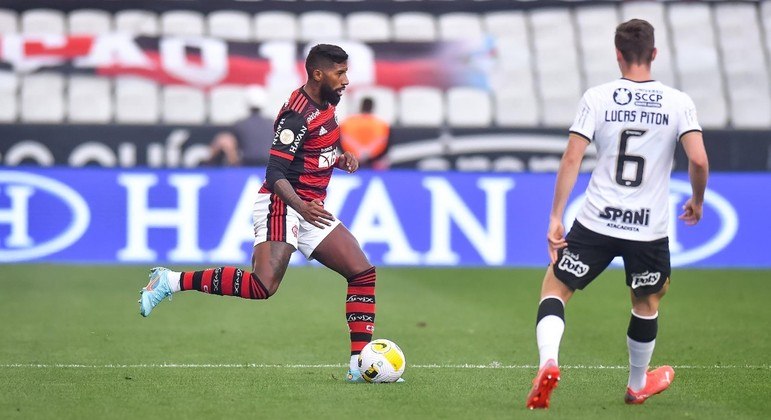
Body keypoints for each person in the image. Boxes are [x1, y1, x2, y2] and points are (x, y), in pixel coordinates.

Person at [139, 44, 391, 383]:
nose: (346, 80)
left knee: (362, 273)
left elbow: (322, 141)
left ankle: (359, 366)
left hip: (309, 207)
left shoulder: (328, 102)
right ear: (318, 74)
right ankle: (170, 281)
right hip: (283, 204)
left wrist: (340, 154)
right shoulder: (296, 117)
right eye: (340, 73)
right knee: (263, 286)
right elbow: (274, 173)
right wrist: (300, 207)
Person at [525, 19, 708, 409]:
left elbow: (572, 157)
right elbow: (698, 159)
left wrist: (556, 215)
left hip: (596, 220)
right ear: (654, 53)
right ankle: (637, 384)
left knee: (556, 289)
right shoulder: (679, 102)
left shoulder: (598, 96)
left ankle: (549, 362)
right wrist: (697, 199)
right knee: (647, 301)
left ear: (618, 55)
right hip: (649, 227)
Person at [206, 86, 273, 166]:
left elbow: (229, 144)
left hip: (245, 165)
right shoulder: (272, 124)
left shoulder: (240, 124)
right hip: (268, 166)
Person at [340, 97, 390, 169]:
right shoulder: (381, 124)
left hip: (351, 161)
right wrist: (367, 152)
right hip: (373, 162)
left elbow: (344, 138)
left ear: (360, 106)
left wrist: (359, 150)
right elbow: (382, 140)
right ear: (372, 107)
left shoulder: (348, 122)